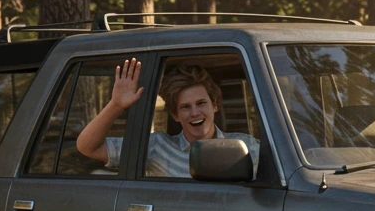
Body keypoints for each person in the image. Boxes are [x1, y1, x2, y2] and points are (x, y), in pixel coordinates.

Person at [76, 59, 259, 178]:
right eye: (185, 107)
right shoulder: (157, 146)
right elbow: (88, 147)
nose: (195, 113)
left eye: (201, 103)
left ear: (215, 105)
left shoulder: (247, 146)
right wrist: (116, 104)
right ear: (175, 115)